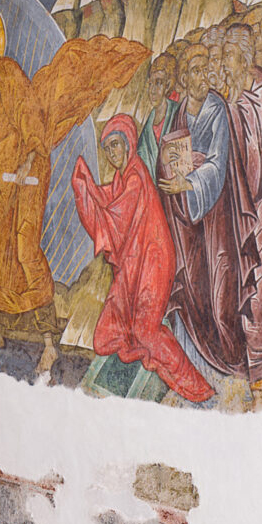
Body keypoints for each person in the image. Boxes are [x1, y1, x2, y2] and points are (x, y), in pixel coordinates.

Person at [0, 20, 146, 375]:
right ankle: (0, 329)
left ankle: (49, 343)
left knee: (25, 247)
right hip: (2, 174)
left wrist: (31, 158)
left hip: (31, 167)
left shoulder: (9, 76)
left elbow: (32, 120)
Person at [160, 24, 262, 391]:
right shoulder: (224, 100)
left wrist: (200, 171)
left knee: (255, 288)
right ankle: (233, 364)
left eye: (227, 58)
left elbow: (259, 164)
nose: (221, 66)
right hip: (231, 205)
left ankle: (258, 370)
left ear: (243, 58)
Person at [72, 114, 213, 401]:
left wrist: (88, 189)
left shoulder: (135, 176)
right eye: (107, 148)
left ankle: (197, 386)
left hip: (154, 263)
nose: (112, 153)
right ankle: (150, 356)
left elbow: (114, 213)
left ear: (128, 144)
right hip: (138, 264)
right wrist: (85, 186)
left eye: (116, 145)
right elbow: (110, 199)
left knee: (145, 330)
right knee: (110, 331)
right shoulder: (123, 176)